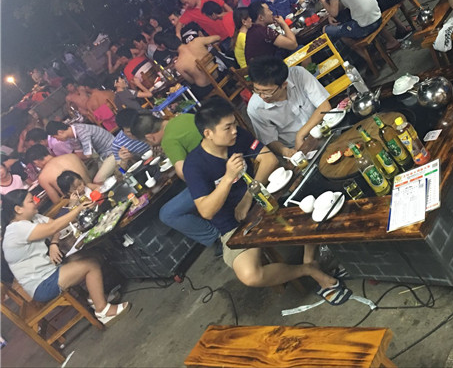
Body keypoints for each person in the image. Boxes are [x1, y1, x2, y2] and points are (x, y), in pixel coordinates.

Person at [184, 97, 350, 303]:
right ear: (208, 133)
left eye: (234, 124)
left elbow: (269, 159)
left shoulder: (237, 137)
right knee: (250, 275)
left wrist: (248, 196)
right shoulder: (194, 165)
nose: (234, 131)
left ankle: (310, 260)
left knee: (310, 195)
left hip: (264, 198)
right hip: (233, 225)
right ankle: (307, 269)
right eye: (227, 127)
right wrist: (227, 178)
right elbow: (206, 211)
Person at [1, 189, 130, 323]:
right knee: (91, 265)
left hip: (50, 270)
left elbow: (55, 227)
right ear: (18, 209)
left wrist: (54, 243)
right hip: (41, 284)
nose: (35, 203)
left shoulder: (33, 218)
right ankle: (102, 311)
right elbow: (53, 227)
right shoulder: (15, 230)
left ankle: (95, 297)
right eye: (31, 201)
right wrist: (78, 209)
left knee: (92, 255)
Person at [130, 112, 221, 254]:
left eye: (146, 142)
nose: (149, 144)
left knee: (167, 214)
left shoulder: (168, 140)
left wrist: (201, 193)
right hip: (226, 156)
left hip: (217, 176)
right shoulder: (183, 117)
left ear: (150, 137)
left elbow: (183, 172)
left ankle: (217, 237)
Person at [246, 56, 332, 157]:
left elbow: (324, 107)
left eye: (267, 92)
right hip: (297, 148)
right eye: (257, 90)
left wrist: (300, 135)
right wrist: (284, 151)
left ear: (284, 85)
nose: (262, 96)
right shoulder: (255, 108)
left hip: (324, 128)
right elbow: (269, 140)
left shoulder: (299, 75)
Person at [45, 122, 116, 183]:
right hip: (102, 156)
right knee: (88, 179)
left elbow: (88, 155)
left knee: (97, 181)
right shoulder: (72, 137)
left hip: (113, 151)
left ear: (60, 132)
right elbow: (79, 155)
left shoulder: (81, 131)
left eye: (55, 137)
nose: (57, 140)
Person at [25, 144, 97, 203]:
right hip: (95, 191)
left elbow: (57, 201)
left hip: (82, 203)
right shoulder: (72, 156)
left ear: (36, 162)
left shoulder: (43, 177)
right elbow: (87, 175)